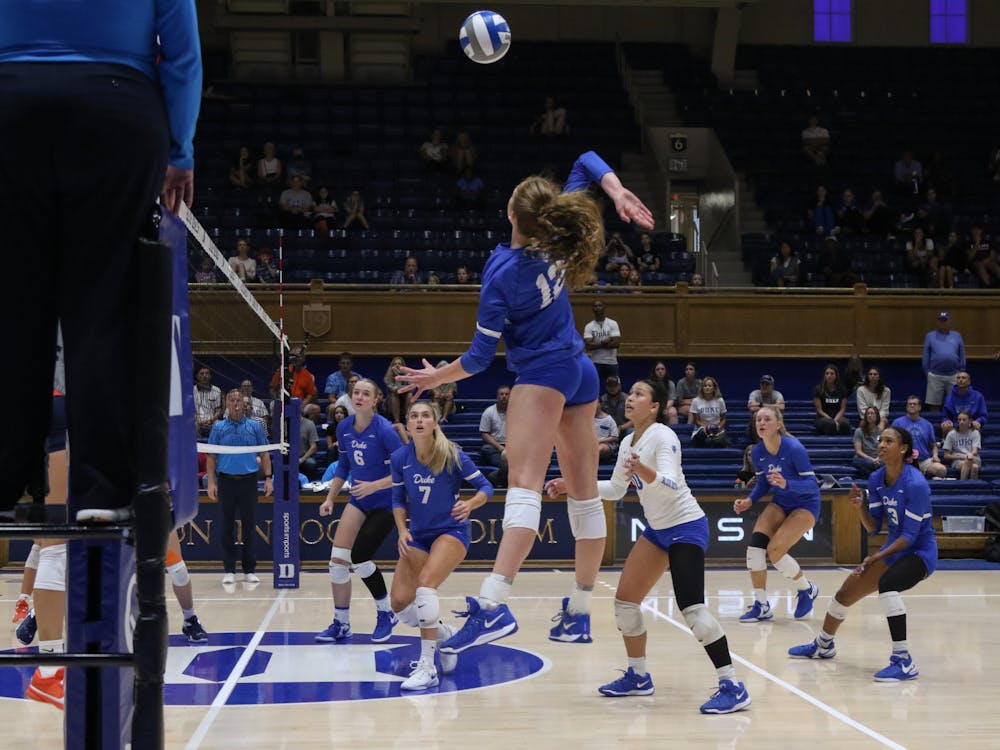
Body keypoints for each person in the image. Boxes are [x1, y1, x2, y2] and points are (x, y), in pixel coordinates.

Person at [397, 150, 653, 653]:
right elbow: (584, 159)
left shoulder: (502, 272)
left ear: (511, 214)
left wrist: (434, 377)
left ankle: (493, 607)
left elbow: (475, 359)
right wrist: (617, 190)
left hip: (541, 373)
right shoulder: (557, 233)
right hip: (580, 370)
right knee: (582, 496)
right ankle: (579, 612)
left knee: (523, 488)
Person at [0, 0, 201, 526]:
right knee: (104, 307)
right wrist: (181, 149)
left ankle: (4, 477)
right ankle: (100, 490)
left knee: (12, 303)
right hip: (115, 112)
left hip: (9, 102)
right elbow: (182, 54)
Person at [547, 380, 750, 713]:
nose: (631, 398)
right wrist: (572, 485)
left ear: (655, 406)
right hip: (657, 530)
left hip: (686, 526)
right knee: (625, 603)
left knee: (693, 610)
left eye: (640, 394)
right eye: (631, 393)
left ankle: (733, 684)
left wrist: (645, 469)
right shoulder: (628, 441)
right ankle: (638, 677)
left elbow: (670, 485)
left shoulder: (664, 436)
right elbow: (614, 489)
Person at [789, 426, 936, 682]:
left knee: (888, 586)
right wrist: (859, 508)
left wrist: (876, 557)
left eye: (888, 441)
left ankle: (904, 661)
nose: (881, 444)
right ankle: (824, 645)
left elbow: (910, 537)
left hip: (920, 553)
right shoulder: (877, 478)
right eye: (880, 440)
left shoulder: (916, 484)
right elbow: (873, 527)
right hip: (892, 549)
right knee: (844, 594)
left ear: (903, 449)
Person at [389, 401, 493, 690]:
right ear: (407, 424)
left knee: (425, 587)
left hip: (451, 531)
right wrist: (401, 530)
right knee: (398, 603)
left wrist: (471, 503)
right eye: (414, 416)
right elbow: (397, 500)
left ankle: (427, 667)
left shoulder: (452, 454)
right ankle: (446, 634)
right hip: (418, 535)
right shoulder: (400, 458)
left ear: (435, 422)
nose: (419, 420)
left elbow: (487, 487)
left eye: (425, 416)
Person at [316, 378, 404, 643]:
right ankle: (341, 624)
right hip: (359, 499)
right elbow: (343, 466)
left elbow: (404, 470)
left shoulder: (385, 430)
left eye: (366, 394)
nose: (360, 397)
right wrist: (330, 498)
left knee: (360, 557)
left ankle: (386, 613)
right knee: (336, 563)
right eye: (356, 392)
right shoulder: (344, 427)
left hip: (387, 501)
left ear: (376, 399)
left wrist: (374, 485)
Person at [734, 406, 820, 623]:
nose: (761, 423)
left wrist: (786, 483)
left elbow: (812, 485)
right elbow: (763, 482)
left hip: (806, 505)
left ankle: (806, 588)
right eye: (758, 420)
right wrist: (749, 500)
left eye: (767, 419)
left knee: (774, 552)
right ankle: (761, 605)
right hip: (781, 503)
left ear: (778, 425)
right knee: (754, 548)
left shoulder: (794, 448)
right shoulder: (757, 452)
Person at [206, 389, 274, 585]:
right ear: (227, 403)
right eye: (232, 400)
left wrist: (268, 478)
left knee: (249, 526)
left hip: (249, 482)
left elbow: (266, 454)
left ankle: (249, 569)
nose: (236, 403)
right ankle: (229, 570)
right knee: (226, 527)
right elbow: (211, 457)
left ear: (245, 405)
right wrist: (211, 482)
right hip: (226, 482)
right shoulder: (218, 427)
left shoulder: (255, 426)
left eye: (239, 400)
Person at [891, 396, 947, 479]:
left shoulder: (927, 425)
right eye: (910, 404)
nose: (912, 406)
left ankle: (924, 475)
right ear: (906, 407)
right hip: (903, 460)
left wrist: (935, 456)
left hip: (924, 461)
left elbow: (933, 445)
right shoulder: (897, 423)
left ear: (919, 407)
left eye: (914, 404)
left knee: (941, 470)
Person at [922, 311, 965, 413]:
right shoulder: (930, 336)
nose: (943, 323)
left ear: (949, 322)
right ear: (937, 322)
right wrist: (927, 372)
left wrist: (962, 371)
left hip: (954, 375)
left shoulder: (957, 336)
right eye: (941, 321)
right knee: (934, 404)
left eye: (945, 321)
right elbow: (926, 355)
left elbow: (962, 353)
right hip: (935, 375)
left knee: (954, 404)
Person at [940, 370, 987, 439]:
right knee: (945, 426)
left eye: (963, 378)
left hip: (971, 425)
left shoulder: (978, 396)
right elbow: (945, 416)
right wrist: (946, 421)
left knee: (976, 425)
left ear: (969, 381)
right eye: (958, 378)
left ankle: (974, 447)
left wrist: (978, 421)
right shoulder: (949, 396)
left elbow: (983, 416)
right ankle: (945, 444)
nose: (960, 380)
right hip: (955, 424)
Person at [583, 300, 621, 382]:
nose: (597, 308)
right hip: (596, 362)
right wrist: (604, 342)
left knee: (614, 387)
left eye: (600, 306)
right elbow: (588, 346)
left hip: (611, 362)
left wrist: (596, 344)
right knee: (594, 387)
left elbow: (616, 343)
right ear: (593, 309)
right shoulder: (589, 326)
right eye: (595, 306)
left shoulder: (612, 323)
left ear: (604, 307)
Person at [689, 376, 728, 448]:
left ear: (714, 388)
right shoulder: (696, 401)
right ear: (702, 388)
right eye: (705, 386)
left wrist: (718, 427)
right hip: (702, 428)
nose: (707, 387)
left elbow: (723, 419)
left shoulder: (720, 400)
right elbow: (696, 420)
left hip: (716, 427)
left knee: (719, 438)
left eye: (709, 386)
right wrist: (706, 427)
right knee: (703, 434)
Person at [812, 364, 851, 435]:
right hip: (823, 418)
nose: (829, 375)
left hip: (838, 417)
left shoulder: (842, 389)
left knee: (845, 423)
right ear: (824, 376)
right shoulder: (818, 389)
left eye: (832, 373)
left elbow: (842, 409)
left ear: (836, 376)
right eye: (827, 373)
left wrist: (835, 420)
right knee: (830, 424)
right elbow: (819, 410)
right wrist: (832, 421)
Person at [943, 410, 982, 480]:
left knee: (969, 461)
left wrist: (968, 456)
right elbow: (946, 455)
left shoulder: (975, 433)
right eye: (959, 420)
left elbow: (975, 451)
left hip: (973, 458)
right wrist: (961, 457)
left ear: (970, 421)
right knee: (974, 467)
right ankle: (969, 487)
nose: (961, 422)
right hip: (957, 460)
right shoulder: (951, 434)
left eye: (964, 420)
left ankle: (963, 484)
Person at [852, 406, 884, 479]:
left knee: (884, 463)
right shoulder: (859, 431)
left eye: (872, 413)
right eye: (868, 414)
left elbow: (883, 449)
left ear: (877, 416)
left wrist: (878, 458)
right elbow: (858, 451)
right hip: (862, 457)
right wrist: (871, 459)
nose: (870, 415)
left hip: (877, 458)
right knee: (869, 463)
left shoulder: (882, 432)